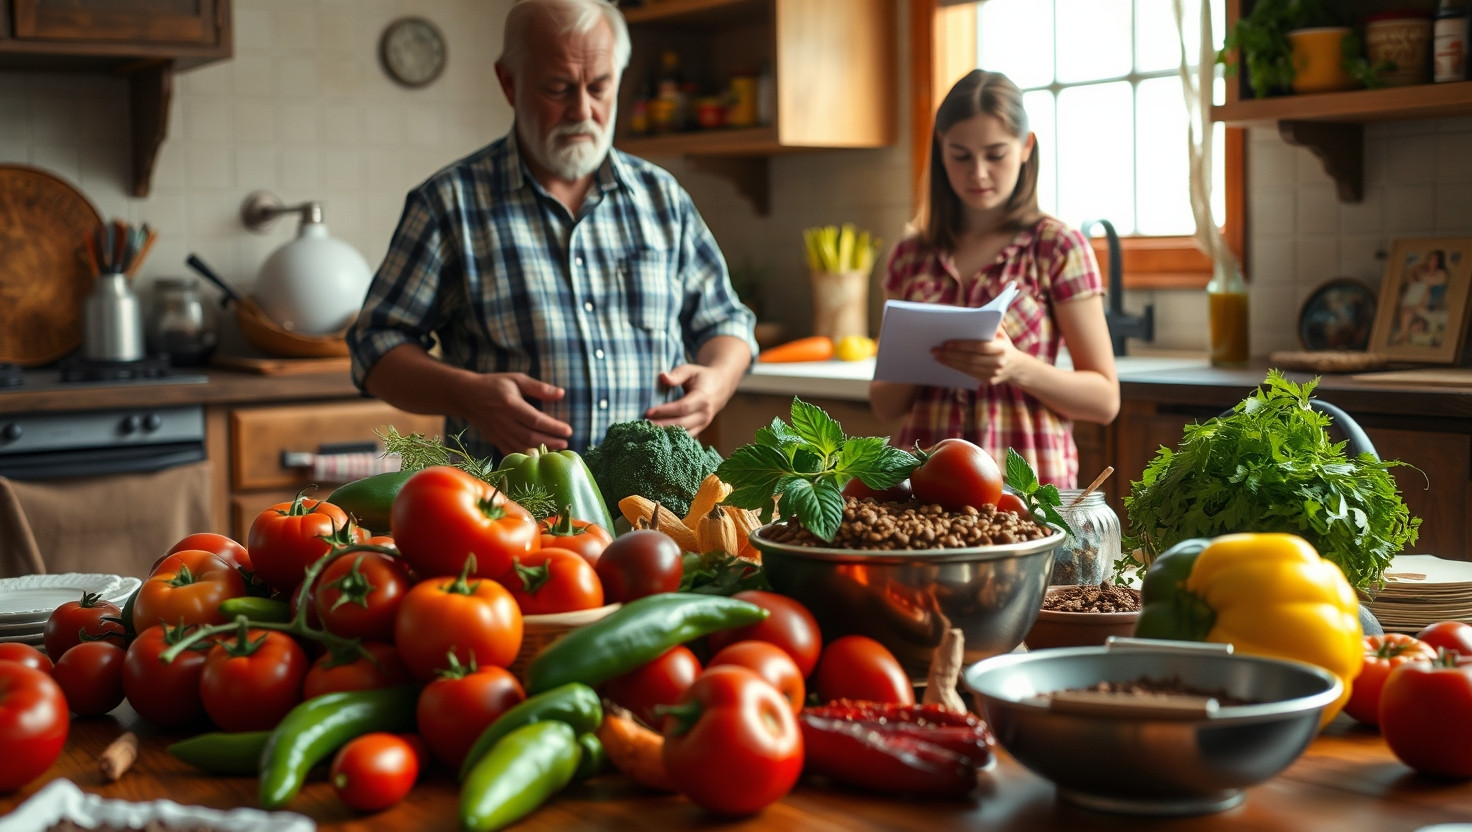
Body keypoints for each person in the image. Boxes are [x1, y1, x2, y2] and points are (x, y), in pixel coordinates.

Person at [346, 0, 756, 462]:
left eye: (599, 87)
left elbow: (726, 322)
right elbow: (375, 346)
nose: (582, 109)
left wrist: (717, 382)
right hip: (505, 501)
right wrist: (466, 394)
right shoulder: (449, 204)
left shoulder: (662, 198)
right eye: (558, 88)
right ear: (509, 83)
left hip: (652, 504)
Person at [868, 70, 1120, 488]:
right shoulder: (910, 255)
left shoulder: (1057, 246)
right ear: (940, 150)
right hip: (926, 487)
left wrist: (1017, 367)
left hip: (1027, 489)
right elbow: (885, 406)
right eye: (961, 156)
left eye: (996, 154)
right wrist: (925, 351)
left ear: (1026, 147)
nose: (979, 173)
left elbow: (1105, 400)